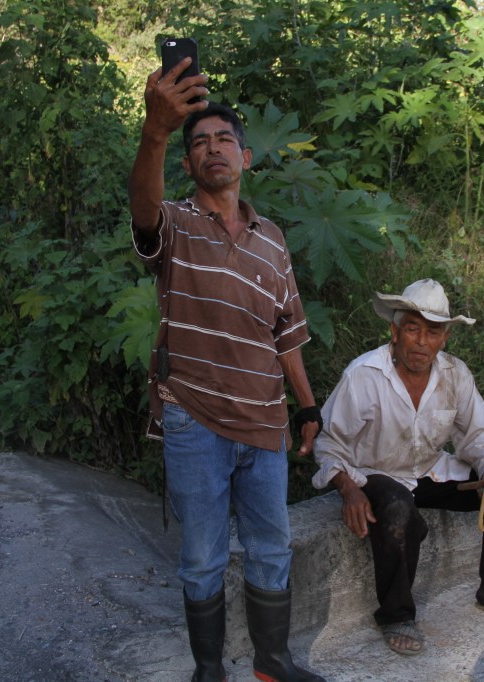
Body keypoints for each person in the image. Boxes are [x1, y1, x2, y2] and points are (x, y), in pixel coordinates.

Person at [127, 53, 323, 682]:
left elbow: (287, 333)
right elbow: (141, 207)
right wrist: (156, 131)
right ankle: (208, 670)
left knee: (271, 547)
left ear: (245, 156)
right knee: (204, 555)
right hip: (194, 418)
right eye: (199, 143)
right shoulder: (175, 224)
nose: (213, 150)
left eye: (224, 140)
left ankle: (273, 663)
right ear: (187, 164)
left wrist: (309, 407)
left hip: (265, 422)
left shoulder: (272, 239)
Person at [312, 279, 484, 656]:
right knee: (397, 505)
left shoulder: (455, 375)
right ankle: (396, 615)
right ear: (395, 331)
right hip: (376, 474)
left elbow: (479, 437)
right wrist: (348, 488)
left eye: (432, 332)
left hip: (430, 470)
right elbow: (328, 442)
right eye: (412, 329)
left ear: (444, 339)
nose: (420, 342)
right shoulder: (364, 375)